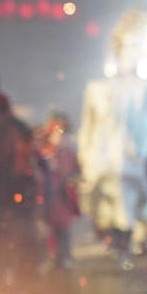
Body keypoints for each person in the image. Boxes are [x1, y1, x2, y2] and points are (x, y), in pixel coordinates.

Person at [77, 8, 147, 268]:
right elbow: (88, 128)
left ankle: (127, 244)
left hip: (137, 161)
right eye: (127, 45)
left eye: (137, 46)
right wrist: (87, 160)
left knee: (132, 207)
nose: (131, 52)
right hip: (105, 163)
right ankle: (118, 244)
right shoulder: (99, 89)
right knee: (110, 207)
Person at [0, 90, 42, 283]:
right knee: (21, 235)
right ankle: (23, 274)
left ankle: (7, 274)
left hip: (7, 193)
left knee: (6, 236)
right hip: (22, 191)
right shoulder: (20, 127)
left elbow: (0, 163)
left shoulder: (0, 129)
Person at [35, 110, 82, 271]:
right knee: (46, 231)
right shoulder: (41, 151)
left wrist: (73, 182)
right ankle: (47, 259)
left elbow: (76, 172)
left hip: (63, 200)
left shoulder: (68, 153)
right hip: (45, 198)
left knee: (64, 230)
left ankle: (63, 258)